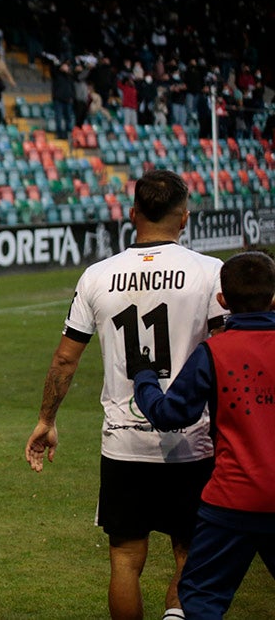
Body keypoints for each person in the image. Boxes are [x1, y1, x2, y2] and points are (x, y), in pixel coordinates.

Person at [25, 169, 227, 620]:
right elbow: (227, 357)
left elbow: (64, 359)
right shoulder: (210, 274)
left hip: (123, 442)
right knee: (190, 552)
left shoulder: (97, 276)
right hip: (193, 441)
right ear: (185, 218)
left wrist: (46, 420)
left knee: (125, 560)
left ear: (132, 214)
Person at [131, 251, 275, 619]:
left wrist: (145, 376)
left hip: (232, 498)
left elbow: (170, 415)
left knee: (200, 602)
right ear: (274, 296)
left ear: (222, 301)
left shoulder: (213, 352)